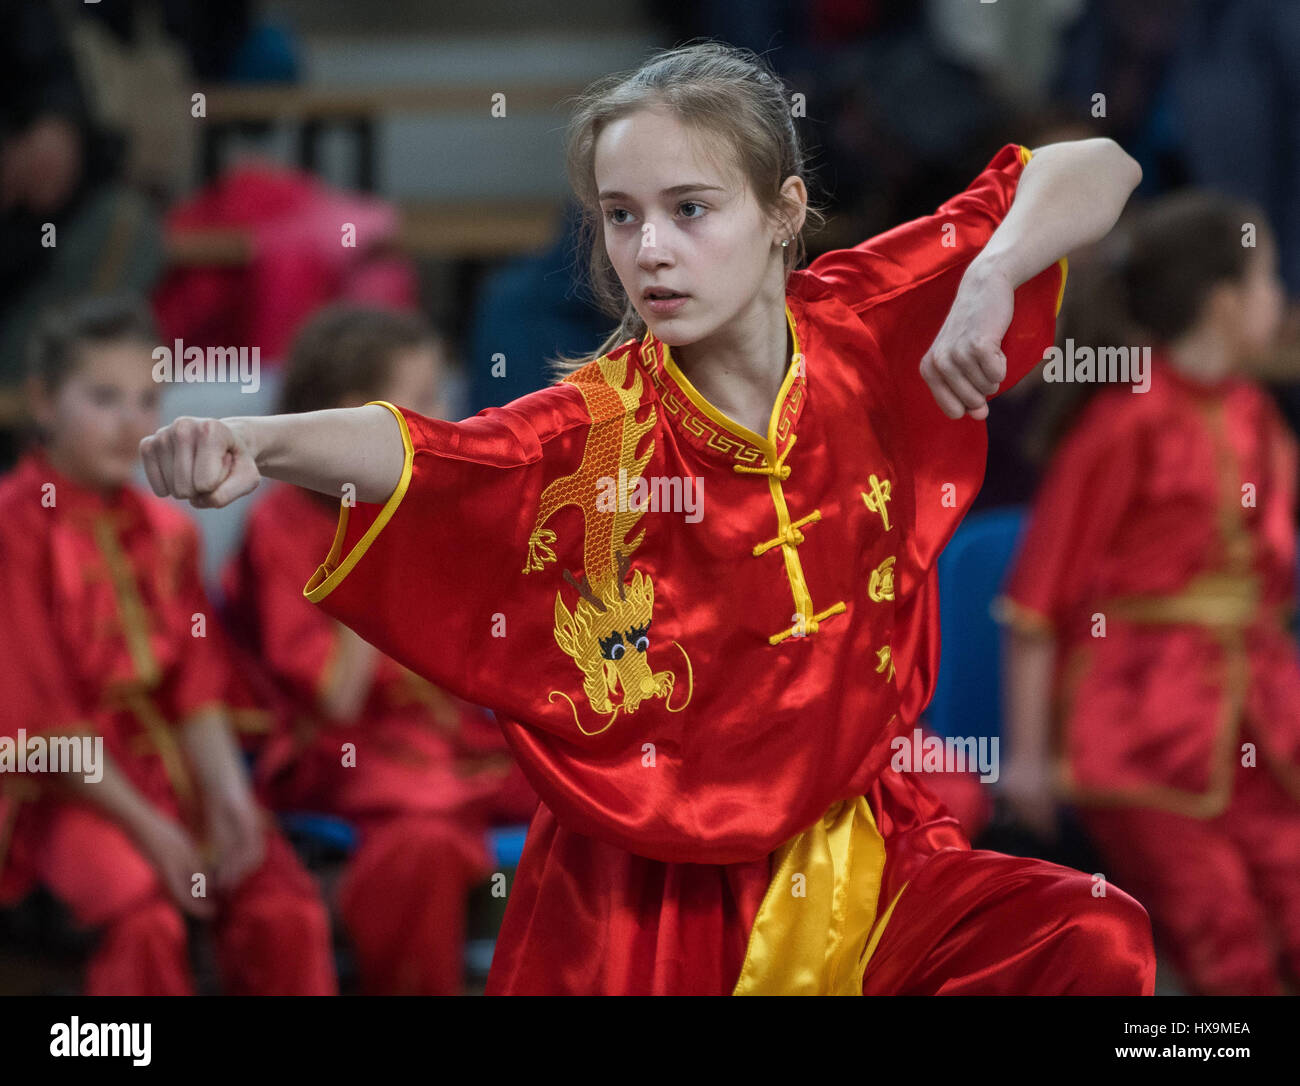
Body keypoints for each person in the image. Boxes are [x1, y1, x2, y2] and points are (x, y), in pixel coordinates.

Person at [140, 42, 1152, 996]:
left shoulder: (866, 327)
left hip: (860, 850)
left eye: (690, 209)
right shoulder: (600, 431)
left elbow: (1097, 166)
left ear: (783, 210)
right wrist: (262, 440)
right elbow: (434, 451)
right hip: (654, 887)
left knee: (1089, 937)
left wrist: (990, 269)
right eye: (621, 218)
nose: (651, 249)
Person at [998, 191, 1300, 996]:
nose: (1282, 300)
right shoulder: (1125, 420)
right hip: (1139, 729)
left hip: (1261, 721)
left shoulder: (1255, 413)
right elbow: (1035, 602)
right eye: (1270, 279)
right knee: (1226, 937)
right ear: (1223, 301)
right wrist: (1027, 760)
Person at [0, 293, 336, 996]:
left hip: (168, 770)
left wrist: (231, 800)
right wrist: (153, 833)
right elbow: (41, 724)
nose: (132, 422)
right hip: (55, 788)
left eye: (147, 399)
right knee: (142, 914)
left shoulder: (166, 532)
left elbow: (199, 685)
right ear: (42, 400)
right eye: (103, 397)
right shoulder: (14, 528)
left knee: (282, 904)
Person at [222, 304, 536, 995]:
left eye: (441, 395)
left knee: (593, 789)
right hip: (341, 751)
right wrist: (371, 525)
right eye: (421, 400)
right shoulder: (281, 522)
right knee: (422, 838)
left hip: (452, 743)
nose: (445, 418)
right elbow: (334, 698)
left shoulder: (437, 495)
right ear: (349, 419)